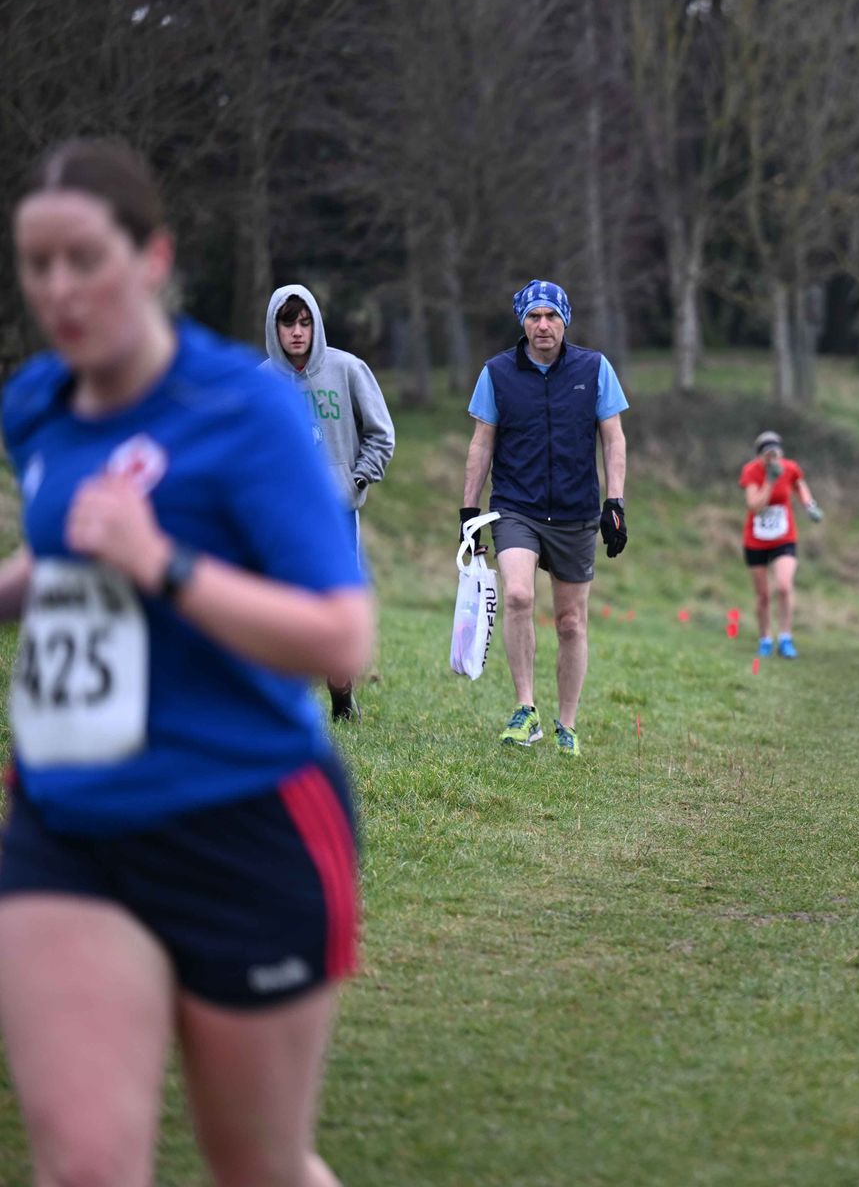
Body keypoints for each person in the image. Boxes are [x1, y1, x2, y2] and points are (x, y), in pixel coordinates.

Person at [0, 138, 372, 1186]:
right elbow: (64, 556)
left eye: (85, 259)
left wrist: (164, 564)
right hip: (67, 824)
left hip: (243, 820)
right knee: (84, 1168)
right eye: (36, 264)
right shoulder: (36, 405)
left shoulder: (245, 411)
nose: (59, 289)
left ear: (153, 257)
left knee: (257, 1166)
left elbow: (343, 636)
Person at [460, 279, 629, 755]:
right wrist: (469, 510)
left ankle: (567, 724)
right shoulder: (496, 373)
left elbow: (614, 438)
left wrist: (615, 503)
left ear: (565, 321)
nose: (543, 325)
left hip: (576, 512)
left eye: (552, 316)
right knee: (517, 595)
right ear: (523, 322)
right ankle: (525, 708)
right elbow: (481, 444)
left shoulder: (595, 369)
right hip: (517, 506)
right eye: (534, 316)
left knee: (571, 622)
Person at [262, 283, 395, 722]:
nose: (297, 332)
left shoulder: (348, 369)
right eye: (288, 323)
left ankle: (341, 694)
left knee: (337, 601)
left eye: (305, 322)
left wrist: (357, 477)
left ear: (316, 324)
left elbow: (381, 434)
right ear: (275, 328)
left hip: (337, 511)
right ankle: (283, 700)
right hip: (281, 515)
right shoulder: (260, 382)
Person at [739, 429, 822, 658]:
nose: (773, 459)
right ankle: (765, 638)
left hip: (784, 537)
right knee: (763, 595)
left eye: (776, 453)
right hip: (756, 539)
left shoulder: (790, 468)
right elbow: (754, 506)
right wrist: (769, 480)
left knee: (784, 586)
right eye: (768, 455)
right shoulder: (751, 471)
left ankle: (786, 638)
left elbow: (800, 485)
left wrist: (810, 505)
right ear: (760, 456)